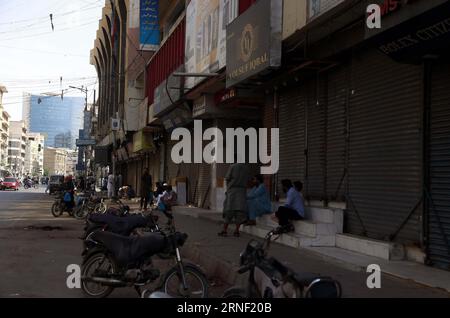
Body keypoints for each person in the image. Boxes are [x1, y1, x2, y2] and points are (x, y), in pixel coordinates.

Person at [218, 160, 249, 237]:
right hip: (242, 192)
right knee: (239, 212)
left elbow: (227, 178)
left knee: (229, 211)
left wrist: (228, 189)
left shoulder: (232, 166)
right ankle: (236, 231)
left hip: (232, 191)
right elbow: (248, 180)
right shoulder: (246, 168)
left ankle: (224, 231)